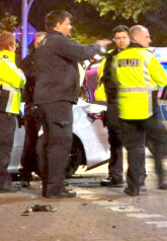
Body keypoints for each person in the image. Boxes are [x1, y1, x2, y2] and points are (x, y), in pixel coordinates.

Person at [31, 11, 110, 198]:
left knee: (52, 144)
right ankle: (55, 188)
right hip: (57, 99)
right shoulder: (57, 41)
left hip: (47, 98)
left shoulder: (45, 42)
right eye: (67, 23)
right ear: (58, 25)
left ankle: (51, 185)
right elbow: (81, 51)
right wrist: (97, 46)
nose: (70, 27)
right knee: (60, 144)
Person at [113, 25, 167, 196]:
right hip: (146, 110)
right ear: (137, 38)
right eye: (147, 36)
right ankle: (161, 179)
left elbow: (115, 82)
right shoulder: (147, 56)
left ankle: (133, 186)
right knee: (161, 141)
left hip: (125, 111)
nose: (150, 40)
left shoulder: (119, 58)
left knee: (134, 149)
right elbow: (163, 80)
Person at [0, 31, 26, 192]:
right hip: (4, 109)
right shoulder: (5, 61)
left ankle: (2, 180)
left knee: (4, 146)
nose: (16, 46)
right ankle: (1, 182)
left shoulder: (0, 60)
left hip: (3, 109)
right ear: (9, 45)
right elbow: (18, 80)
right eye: (15, 43)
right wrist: (22, 76)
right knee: (4, 146)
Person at [94, 25, 130, 187]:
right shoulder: (110, 56)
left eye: (124, 37)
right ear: (114, 40)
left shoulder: (135, 55)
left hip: (132, 103)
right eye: (118, 38)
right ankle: (115, 175)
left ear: (129, 38)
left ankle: (137, 176)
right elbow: (104, 78)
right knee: (115, 141)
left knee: (133, 143)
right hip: (114, 103)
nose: (121, 41)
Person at [19, 30, 46, 187]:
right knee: (31, 140)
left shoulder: (49, 60)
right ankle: (26, 173)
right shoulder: (29, 61)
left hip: (46, 104)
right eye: (38, 43)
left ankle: (40, 171)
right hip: (34, 105)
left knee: (46, 140)